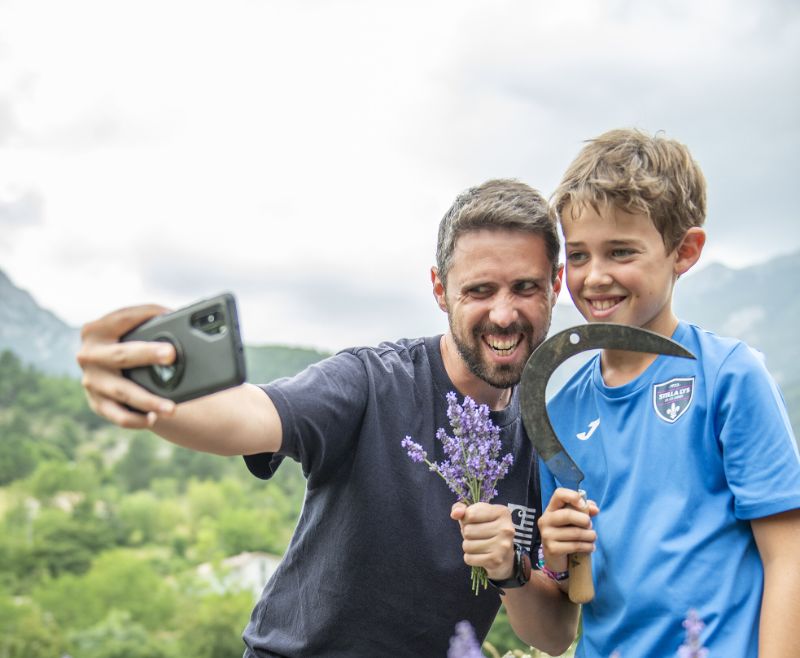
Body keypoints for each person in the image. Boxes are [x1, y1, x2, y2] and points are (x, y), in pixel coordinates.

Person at [78, 179, 580, 657]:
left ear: (554, 285)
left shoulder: (546, 439)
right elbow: (251, 414)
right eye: (479, 291)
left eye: (524, 287)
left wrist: (509, 570)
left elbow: (555, 635)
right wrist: (147, 392)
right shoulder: (371, 382)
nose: (503, 314)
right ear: (440, 289)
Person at [462, 129, 800, 657]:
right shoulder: (559, 408)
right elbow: (557, 630)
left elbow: (790, 558)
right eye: (578, 255)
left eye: (620, 252)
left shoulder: (728, 376)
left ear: (684, 251)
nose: (594, 277)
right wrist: (538, 560)